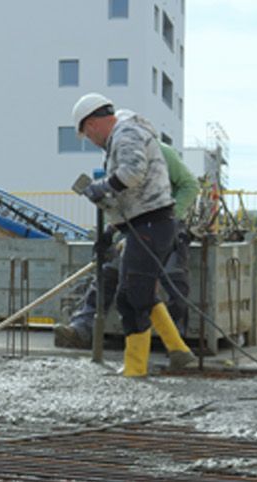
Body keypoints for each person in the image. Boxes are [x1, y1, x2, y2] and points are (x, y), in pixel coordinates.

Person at [69, 93, 197, 378]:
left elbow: (133, 173)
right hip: (145, 226)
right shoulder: (122, 137)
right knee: (136, 293)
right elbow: (131, 198)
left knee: (132, 297)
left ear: (91, 124)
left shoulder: (126, 132)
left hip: (151, 225)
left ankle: (137, 368)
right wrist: (110, 229)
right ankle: (178, 350)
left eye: (87, 134)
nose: (91, 141)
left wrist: (102, 187)